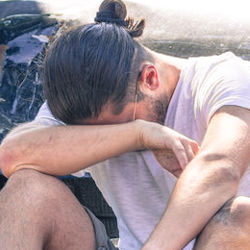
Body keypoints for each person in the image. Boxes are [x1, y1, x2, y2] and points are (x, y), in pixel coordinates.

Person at [0, 0, 250, 249]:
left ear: (149, 78)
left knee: (241, 215)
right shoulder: (87, 100)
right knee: (27, 188)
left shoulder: (227, 79)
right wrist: (139, 132)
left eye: (122, 122)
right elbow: (12, 155)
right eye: (104, 130)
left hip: (216, 241)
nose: (112, 134)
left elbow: (220, 168)